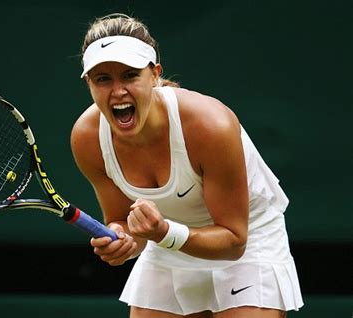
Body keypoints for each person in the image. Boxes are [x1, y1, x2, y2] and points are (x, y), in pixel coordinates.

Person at [71, 13, 303, 318]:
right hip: (167, 248)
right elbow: (124, 223)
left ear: (154, 75)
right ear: (88, 83)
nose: (118, 91)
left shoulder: (211, 125)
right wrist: (123, 239)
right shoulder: (87, 139)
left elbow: (234, 241)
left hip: (246, 248)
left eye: (130, 75)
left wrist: (162, 232)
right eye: (103, 79)